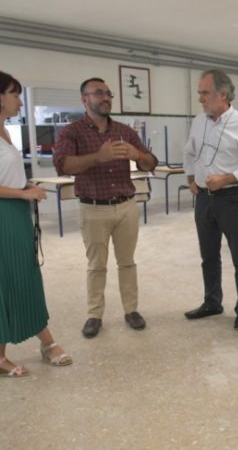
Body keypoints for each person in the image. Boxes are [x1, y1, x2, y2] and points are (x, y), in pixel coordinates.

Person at [53, 77, 158, 338]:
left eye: (108, 93)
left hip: (126, 207)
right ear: (84, 100)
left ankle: (131, 310)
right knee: (96, 265)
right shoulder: (72, 132)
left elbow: (151, 163)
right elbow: (63, 165)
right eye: (98, 93)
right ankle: (94, 315)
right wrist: (97, 157)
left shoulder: (124, 131)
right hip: (93, 208)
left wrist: (137, 155)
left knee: (127, 262)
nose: (105, 98)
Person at [0, 70, 72, 376]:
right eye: (15, 94)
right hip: (5, 214)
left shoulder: (5, 131)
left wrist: (25, 186)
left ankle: (44, 340)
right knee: (7, 280)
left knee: (24, 276)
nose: (19, 101)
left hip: (15, 213)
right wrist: (23, 193)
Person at [183, 69, 238, 331]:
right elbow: (189, 152)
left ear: (223, 94)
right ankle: (212, 302)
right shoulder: (199, 121)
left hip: (232, 199)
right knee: (208, 255)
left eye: (205, 93)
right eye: (199, 92)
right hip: (204, 199)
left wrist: (227, 179)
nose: (200, 98)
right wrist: (191, 178)